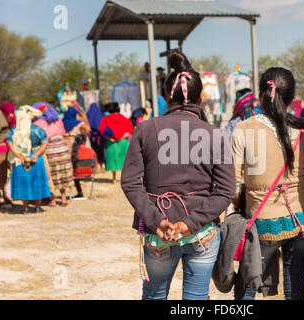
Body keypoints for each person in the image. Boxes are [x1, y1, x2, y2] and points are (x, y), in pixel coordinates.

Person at [121, 51, 235, 300]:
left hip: (158, 233)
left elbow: (130, 182)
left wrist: (156, 219)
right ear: (201, 98)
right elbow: (226, 191)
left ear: (165, 97)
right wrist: (189, 224)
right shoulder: (215, 135)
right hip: (202, 232)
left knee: (154, 295)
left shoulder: (144, 130)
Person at [231, 68, 304, 300]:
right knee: (296, 288)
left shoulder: (243, 129)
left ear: (261, 94)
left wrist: (240, 202)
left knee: (246, 288)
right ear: (292, 96)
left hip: (260, 222)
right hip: (300, 220)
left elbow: (233, 184)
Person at [7, 106, 51, 213]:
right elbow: (45, 142)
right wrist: (36, 155)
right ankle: (37, 207)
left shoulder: (14, 130)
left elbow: (10, 143)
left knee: (23, 183)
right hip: (35, 157)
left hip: (20, 159)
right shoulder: (36, 129)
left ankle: (25, 207)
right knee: (37, 182)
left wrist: (18, 156)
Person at [34, 104, 73, 207]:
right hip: (62, 147)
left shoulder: (39, 122)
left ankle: (53, 200)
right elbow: (63, 132)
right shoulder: (58, 120)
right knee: (62, 173)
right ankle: (64, 198)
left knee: (51, 174)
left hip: (49, 148)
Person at [99, 102, 134, 182]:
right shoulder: (124, 117)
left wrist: (108, 138)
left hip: (111, 142)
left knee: (112, 160)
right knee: (124, 160)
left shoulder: (106, 118)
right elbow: (130, 130)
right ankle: (125, 178)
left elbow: (101, 129)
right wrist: (123, 136)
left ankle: (114, 177)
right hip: (123, 141)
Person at [71, 134, 97, 199]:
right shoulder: (91, 151)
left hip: (77, 174)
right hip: (89, 173)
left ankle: (79, 192)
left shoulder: (74, 151)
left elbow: (72, 164)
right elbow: (95, 164)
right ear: (84, 141)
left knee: (75, 173)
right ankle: (80, 193)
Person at [86, 102, 106, 171]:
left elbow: (88, 124)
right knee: (101, 150)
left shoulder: (88, 114)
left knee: (94, 152)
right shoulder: (101, 115)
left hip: (93, 137)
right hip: (101, 137)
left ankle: (95, 166)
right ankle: (102, 165)